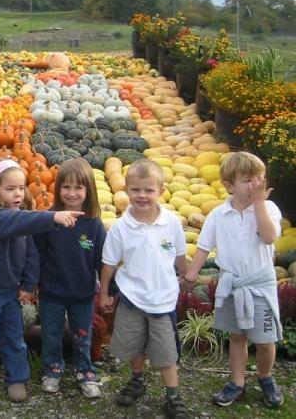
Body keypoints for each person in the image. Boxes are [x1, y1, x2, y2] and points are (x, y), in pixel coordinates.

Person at [0, 158, 83, 408]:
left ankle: (16, 378)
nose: (18, 193)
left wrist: (28, 285)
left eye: (21, 187)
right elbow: (16, 223)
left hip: (10, 291)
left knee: (14, 338)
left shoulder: (21, 217)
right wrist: (52, 217)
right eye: (9, 189)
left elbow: (30, 255)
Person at [181, 152, 283, 408]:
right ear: (229, 186)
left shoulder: (268, 208)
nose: (257, 185)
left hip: (260, 285)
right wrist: (192, 274)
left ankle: (265, 376)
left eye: (260, 178)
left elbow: (269, 237)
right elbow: (203, 247)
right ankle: (237, 381)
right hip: (232, 283)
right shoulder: (218, 214)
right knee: (237, 337)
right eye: (248, 180)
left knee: (265, 340)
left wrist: (258, 204)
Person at [98, 158, 188, 419]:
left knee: (166, 351)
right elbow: (109, 264)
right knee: (134, 344)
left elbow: (180, 255)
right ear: (126, 190)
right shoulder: (121, 228)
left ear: (161, 190)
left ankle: (173, 394)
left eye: (149, 190)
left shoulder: (171, 223)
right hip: (132, 298)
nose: (142, 195)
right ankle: (137, 379)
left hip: (163, 299)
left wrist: (187, 274)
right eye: (136, 189)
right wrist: (104, 293)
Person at [34, 158, 106, 398]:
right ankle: (52, 369)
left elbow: (101, 260)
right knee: (51, 334)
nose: (72, 193)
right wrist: (32, 283)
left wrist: (109, 290)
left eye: (78, 187)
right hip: (52, 292)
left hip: (82, 293)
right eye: (66, 187)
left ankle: (84, 369)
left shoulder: (94, 225)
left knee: (82, 335)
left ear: (89, 191)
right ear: (58, 189)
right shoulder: (50, 220)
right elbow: (38, 255)